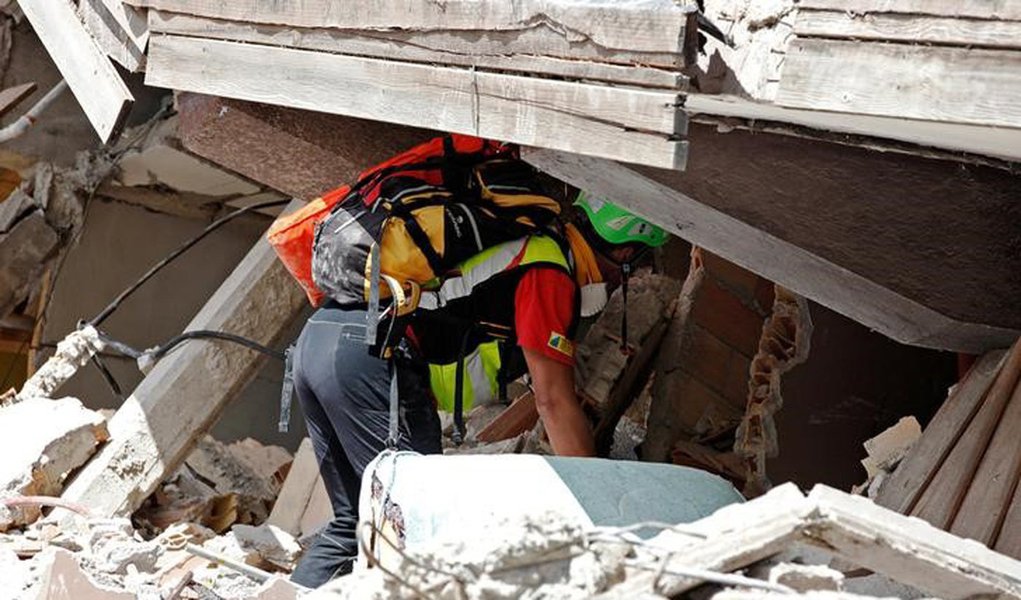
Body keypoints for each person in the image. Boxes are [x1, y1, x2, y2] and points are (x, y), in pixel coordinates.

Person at [289, 192, 668, 588]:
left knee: (356, 520)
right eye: (637, 262)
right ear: (624, 250)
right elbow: (552, 399)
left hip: (320, 339)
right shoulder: (550, 267)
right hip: (371, 353)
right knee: (413, 525)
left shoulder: (527, 242)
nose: (626, 277)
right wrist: (601, 506)